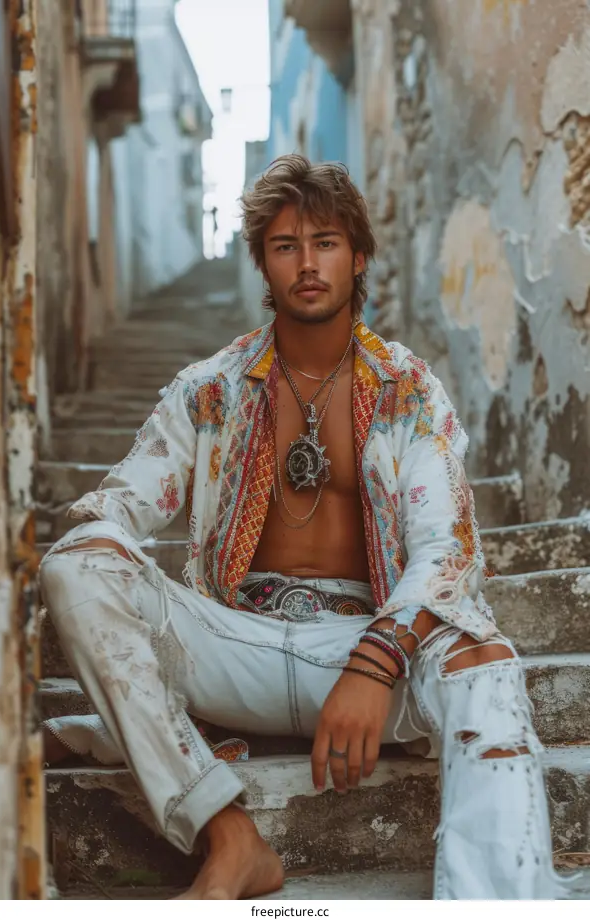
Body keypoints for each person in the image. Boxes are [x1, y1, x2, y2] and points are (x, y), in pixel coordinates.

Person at [40, 155, 567, 900]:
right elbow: (117, 506)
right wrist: (103, 545)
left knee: (484, 658)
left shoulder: (406, 392)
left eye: (325, 241)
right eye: (286, 246)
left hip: (364, 650)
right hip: (232, 644)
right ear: (263, 263)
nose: (307, 262)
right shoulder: (209, 392)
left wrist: (375, 660)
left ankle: (495, 903)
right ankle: (229, 836)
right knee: (74, 567)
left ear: (358, 256)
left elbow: (446, 552)